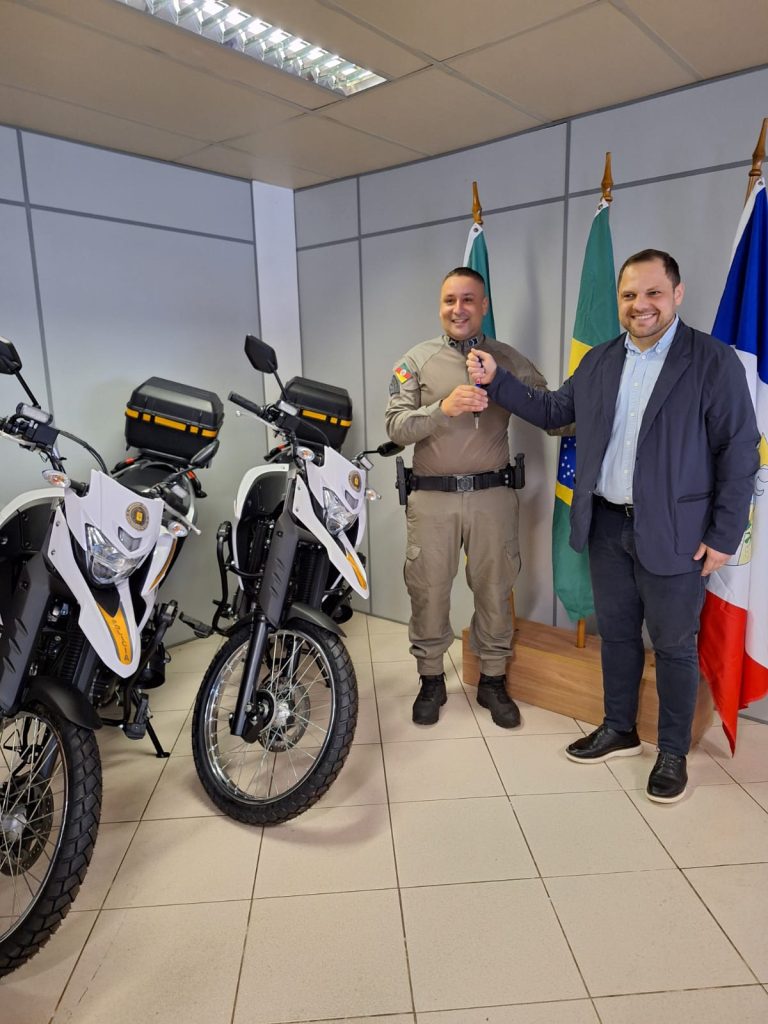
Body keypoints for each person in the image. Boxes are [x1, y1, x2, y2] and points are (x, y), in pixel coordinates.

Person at [467, 249, 759, 801]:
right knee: (618, 636)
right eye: (629, 295)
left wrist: (724, 535)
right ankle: (619, 728)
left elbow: (740, 450)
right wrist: (498, 380)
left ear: (677, 294)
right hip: (605, 526)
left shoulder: (712, 360)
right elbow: (553, 411)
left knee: (674, 646)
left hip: (677, 532)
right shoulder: (600, 360)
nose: (640, 304)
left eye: (653, 293)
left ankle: (671, 752)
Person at [385, 266, 549, 728]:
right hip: (432, 499)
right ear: (440, 306)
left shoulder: (507, 359)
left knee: (495, 589)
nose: (458, 309)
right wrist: (443, 409)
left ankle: (493, 680)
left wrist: (507, 387)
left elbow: (550, 410)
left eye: (468, 300)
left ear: (484, 306)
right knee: (429, 590)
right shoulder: (415, 361)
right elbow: (395, 427)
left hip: (491, 496)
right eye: (449, 300)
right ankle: (431, 679)